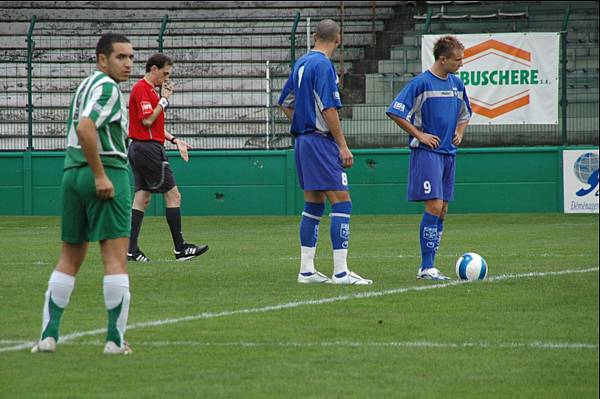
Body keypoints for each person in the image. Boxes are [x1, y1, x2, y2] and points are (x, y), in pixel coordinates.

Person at [31, 33, 135, 354]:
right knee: (115, 259)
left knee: (69, 258)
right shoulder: (108, 88)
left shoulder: (84, 85)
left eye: (131, 57)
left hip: (71, 173)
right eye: (121, 57)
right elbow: (86, 127)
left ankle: (48, 337)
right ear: (102, 59)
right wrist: (101, 175)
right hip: (105, 171)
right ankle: (115, 342)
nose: (128, 63)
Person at [278, 19, 372, 285]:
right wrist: (342, 144)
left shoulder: (302, 63)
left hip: (303, 142)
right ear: (338, 38)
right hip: (320, 142)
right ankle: (341, 272)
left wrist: (303, 122)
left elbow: (284, 102)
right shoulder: (324, 66)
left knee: (314, 203)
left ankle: (306, 270)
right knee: (342, 201)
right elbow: (329, 107)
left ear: (315, 36)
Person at [386, 35, 472, 280]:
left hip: (448, 154)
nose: (461, 64)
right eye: (457, 60)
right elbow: (396, 111)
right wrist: (419, 134)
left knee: (443, 209)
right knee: (434, 205)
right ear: (442, 59)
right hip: (427, 153)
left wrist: (460, 131)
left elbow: (465, 113)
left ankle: (431, 265)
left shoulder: (457, 84)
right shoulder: (421, 83)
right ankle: (426, 267)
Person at [127, 53, 208, 262]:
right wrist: (164, 100)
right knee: (174, 196)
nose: (166, 78)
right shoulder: (143, 89)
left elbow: (154, 126)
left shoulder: (150, 92)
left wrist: (174, 140)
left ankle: (131, 250)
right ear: (153, 69)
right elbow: (147, 121)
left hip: (140, 148)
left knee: (142, 198)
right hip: (148, 150)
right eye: (164, 73)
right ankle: (180, 249)